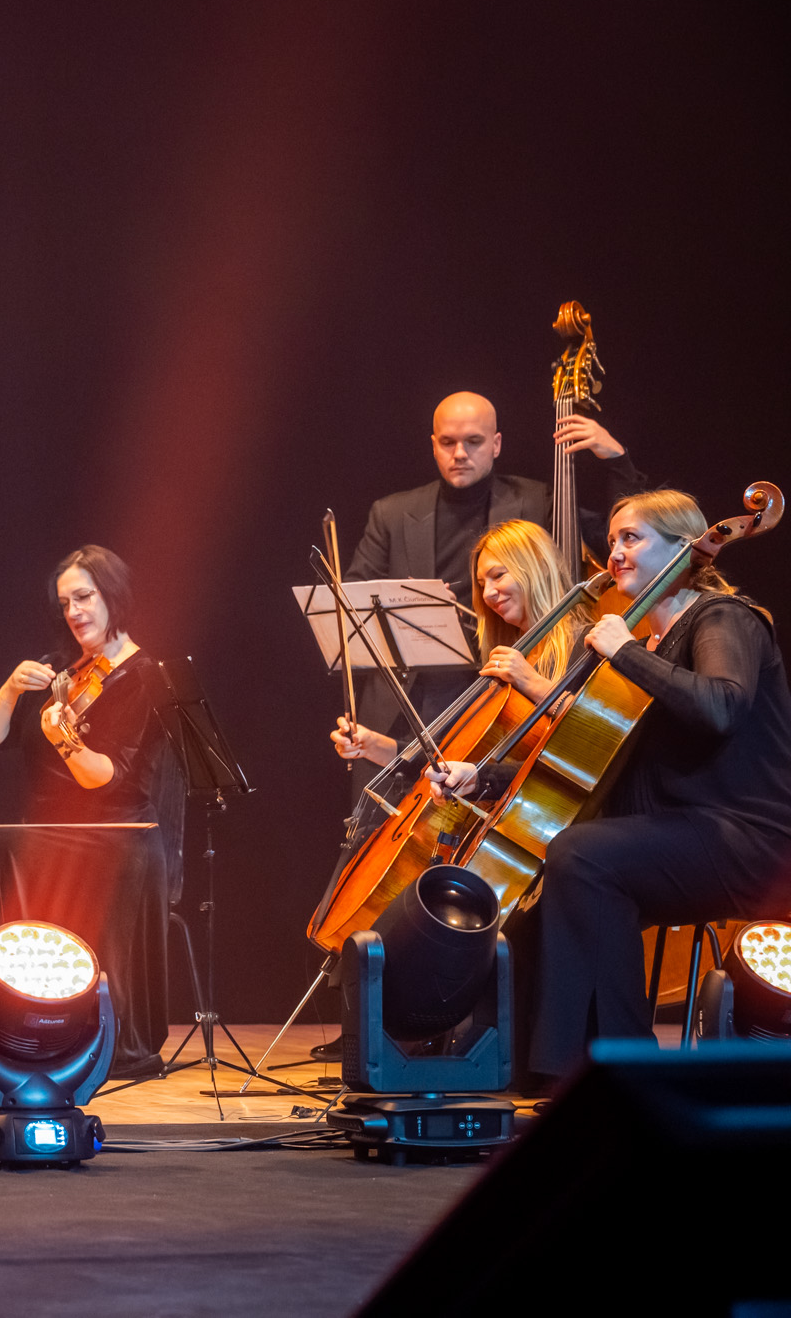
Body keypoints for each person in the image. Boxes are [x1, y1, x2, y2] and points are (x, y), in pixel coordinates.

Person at [425, 491, 791, 1091]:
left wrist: (624, 652)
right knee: (537, 903)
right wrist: (482, 778)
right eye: (614, 538)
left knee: (583, 854)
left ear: (684, 547)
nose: (614, 551)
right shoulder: (647, 646)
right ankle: (536, 1076)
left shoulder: (723, 617)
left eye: (632, 538)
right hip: (677, 833)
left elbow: (721, 708)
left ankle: (626, 1072)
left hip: (748, 838)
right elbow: (595, 764)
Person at [0, 546, 185, 1075]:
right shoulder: (58, 668)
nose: (74, 612)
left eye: (84, 597)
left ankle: (102, 1043)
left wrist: (63, 738)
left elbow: (102, 776)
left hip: (114, 840)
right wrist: (10, 688)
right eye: (66, 602)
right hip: (47, 834)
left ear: (114, 595)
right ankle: (28, 1036)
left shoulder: (144, 675)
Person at [344, 391, 644, 741]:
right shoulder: (391, 513)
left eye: (473, 441)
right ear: (434, 445)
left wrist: (617, 460)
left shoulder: (537, 500)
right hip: (399, 702)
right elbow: (350, 605)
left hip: (491, 692)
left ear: (496, 444)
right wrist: (411, 603)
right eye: (448, 442)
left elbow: (620, 540)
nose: (460, 453)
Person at [331, 518, 589, 767]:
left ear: (539, 567)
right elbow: (456, 757)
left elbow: (597, 736)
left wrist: (531, 683)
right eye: (481, 584)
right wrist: (372, 745)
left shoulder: (585, 646)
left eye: (498, 575)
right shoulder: (503, 660)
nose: (487, 593)